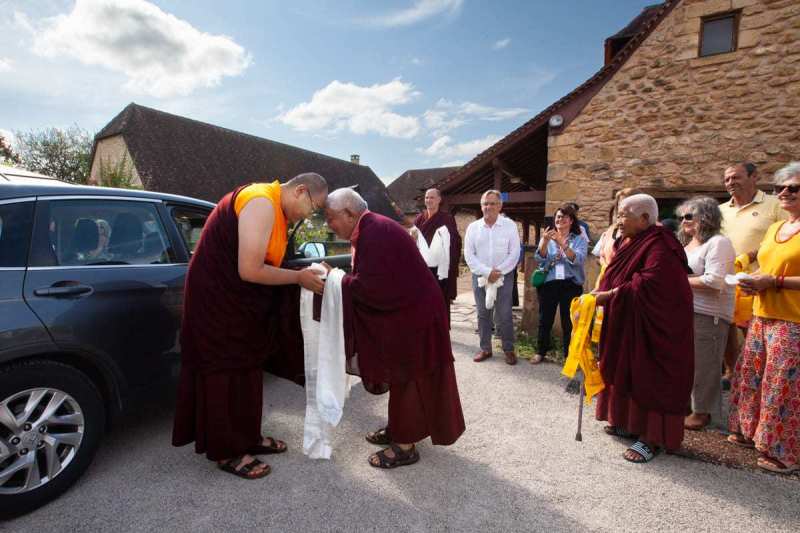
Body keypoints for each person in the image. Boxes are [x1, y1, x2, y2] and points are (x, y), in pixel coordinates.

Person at [172, 173, 328, 479]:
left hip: (238, 306)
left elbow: (269, 262)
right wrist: (298, 277)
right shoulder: (260, 202)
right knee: (225, 375)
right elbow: (250, 269)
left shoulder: (277, 212)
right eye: (314, 208)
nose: (310, 216)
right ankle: (227, 452)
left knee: (248, 371)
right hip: (216, 304)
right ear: (300, 191)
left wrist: (300, 271)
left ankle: (248, 438)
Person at [323, 188, 465, 469]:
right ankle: (399, 429)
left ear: (349, 213)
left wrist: (335, 279)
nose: (329, 225)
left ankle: (405, 445)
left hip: (417, 314)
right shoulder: (369, 228)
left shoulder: (375, 232)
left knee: (409, 375)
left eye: (330, 218)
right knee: (402, 372)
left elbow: (372, 288)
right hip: (411, 309)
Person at [592, 194, 693, 463]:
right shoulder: (632, 241)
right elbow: (616, 271)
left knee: (650, 376)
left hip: (656, 328)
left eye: (624, 214)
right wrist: (602, 290)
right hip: (628, 322)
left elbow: (651, 284)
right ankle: (628, 423)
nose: (618, 220)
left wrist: (611, 294)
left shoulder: (662, 245)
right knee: (625, 369)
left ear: (645, 218)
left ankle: (653, 439)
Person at [727, 162, 800, 474]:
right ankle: (750, 433)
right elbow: (767, 263)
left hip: (792, 319)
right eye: (779, 188)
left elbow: (778, 275)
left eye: (793, 188)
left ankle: (784, 453)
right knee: (751, 377)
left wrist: (775, 282)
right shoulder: (776, 228)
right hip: (762, 313)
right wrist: (752, 278)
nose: (784, 193)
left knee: (781, 386)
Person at [719, 162, 785, 383]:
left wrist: (750, 258)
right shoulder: (720, 211)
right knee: (727, 328)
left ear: (754, 176)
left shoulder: (775, 204)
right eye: (727, 179)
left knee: (754, 330)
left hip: (760, 281)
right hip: (726, 280)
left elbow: (786, 236)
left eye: (736, 177)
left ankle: (762, 374)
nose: (730, 183)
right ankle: (732, 372)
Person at [676, 197, 735, 431]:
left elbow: (714, 281)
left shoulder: (719, 243)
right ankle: (688, 407)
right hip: (685, 311)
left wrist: (677, 280)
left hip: (709, 314)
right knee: (687, 363)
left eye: (689, 216)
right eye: (681, 217)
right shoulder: (689, 243)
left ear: (706, 217)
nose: (683, 221)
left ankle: (703, 413)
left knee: (705, 364)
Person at [464, 190, 521, 365]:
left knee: (504, 313)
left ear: (500, 205)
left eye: (492, 203)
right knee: (483, 313)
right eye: (485, 204)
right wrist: (486, 272)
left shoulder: (509, 225)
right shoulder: (473, 228)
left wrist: (498, 271)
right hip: (480, 276)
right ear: (481, 206)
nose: (488, 207)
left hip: (504, 276)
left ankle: (508, 349)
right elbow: (469, 254)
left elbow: (515, 252)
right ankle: (485, 348)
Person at [532, 204, 588, 364]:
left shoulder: (579, 240)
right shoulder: (548, 237)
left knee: (569, 321)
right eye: (557, 217)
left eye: (563, 217)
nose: (559, 219)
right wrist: (544, 241)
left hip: (570, 284)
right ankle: (540, 351)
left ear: (571, 220)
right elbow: (540, 258)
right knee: (545, 319)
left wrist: (562, 243)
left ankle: (569, 355)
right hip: (549, 283)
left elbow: (577, 260)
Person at [413, 188, 462, 324]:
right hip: (423, 268)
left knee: (440, 299)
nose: (429, 200)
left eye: (432, 197)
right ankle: (425, 327)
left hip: (440, 268)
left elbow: (455, 241)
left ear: (439, 200)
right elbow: (413, 240)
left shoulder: (447, 218)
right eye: (427, 197)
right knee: (422, 298)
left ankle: (441, 328)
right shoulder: (419, 219)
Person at [592, 188, 644, 270]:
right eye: (620, 204)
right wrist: (606, 265)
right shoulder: (611, 232)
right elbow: (598, 257)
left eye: (628, 203)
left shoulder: (648, 231)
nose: (623, 207)